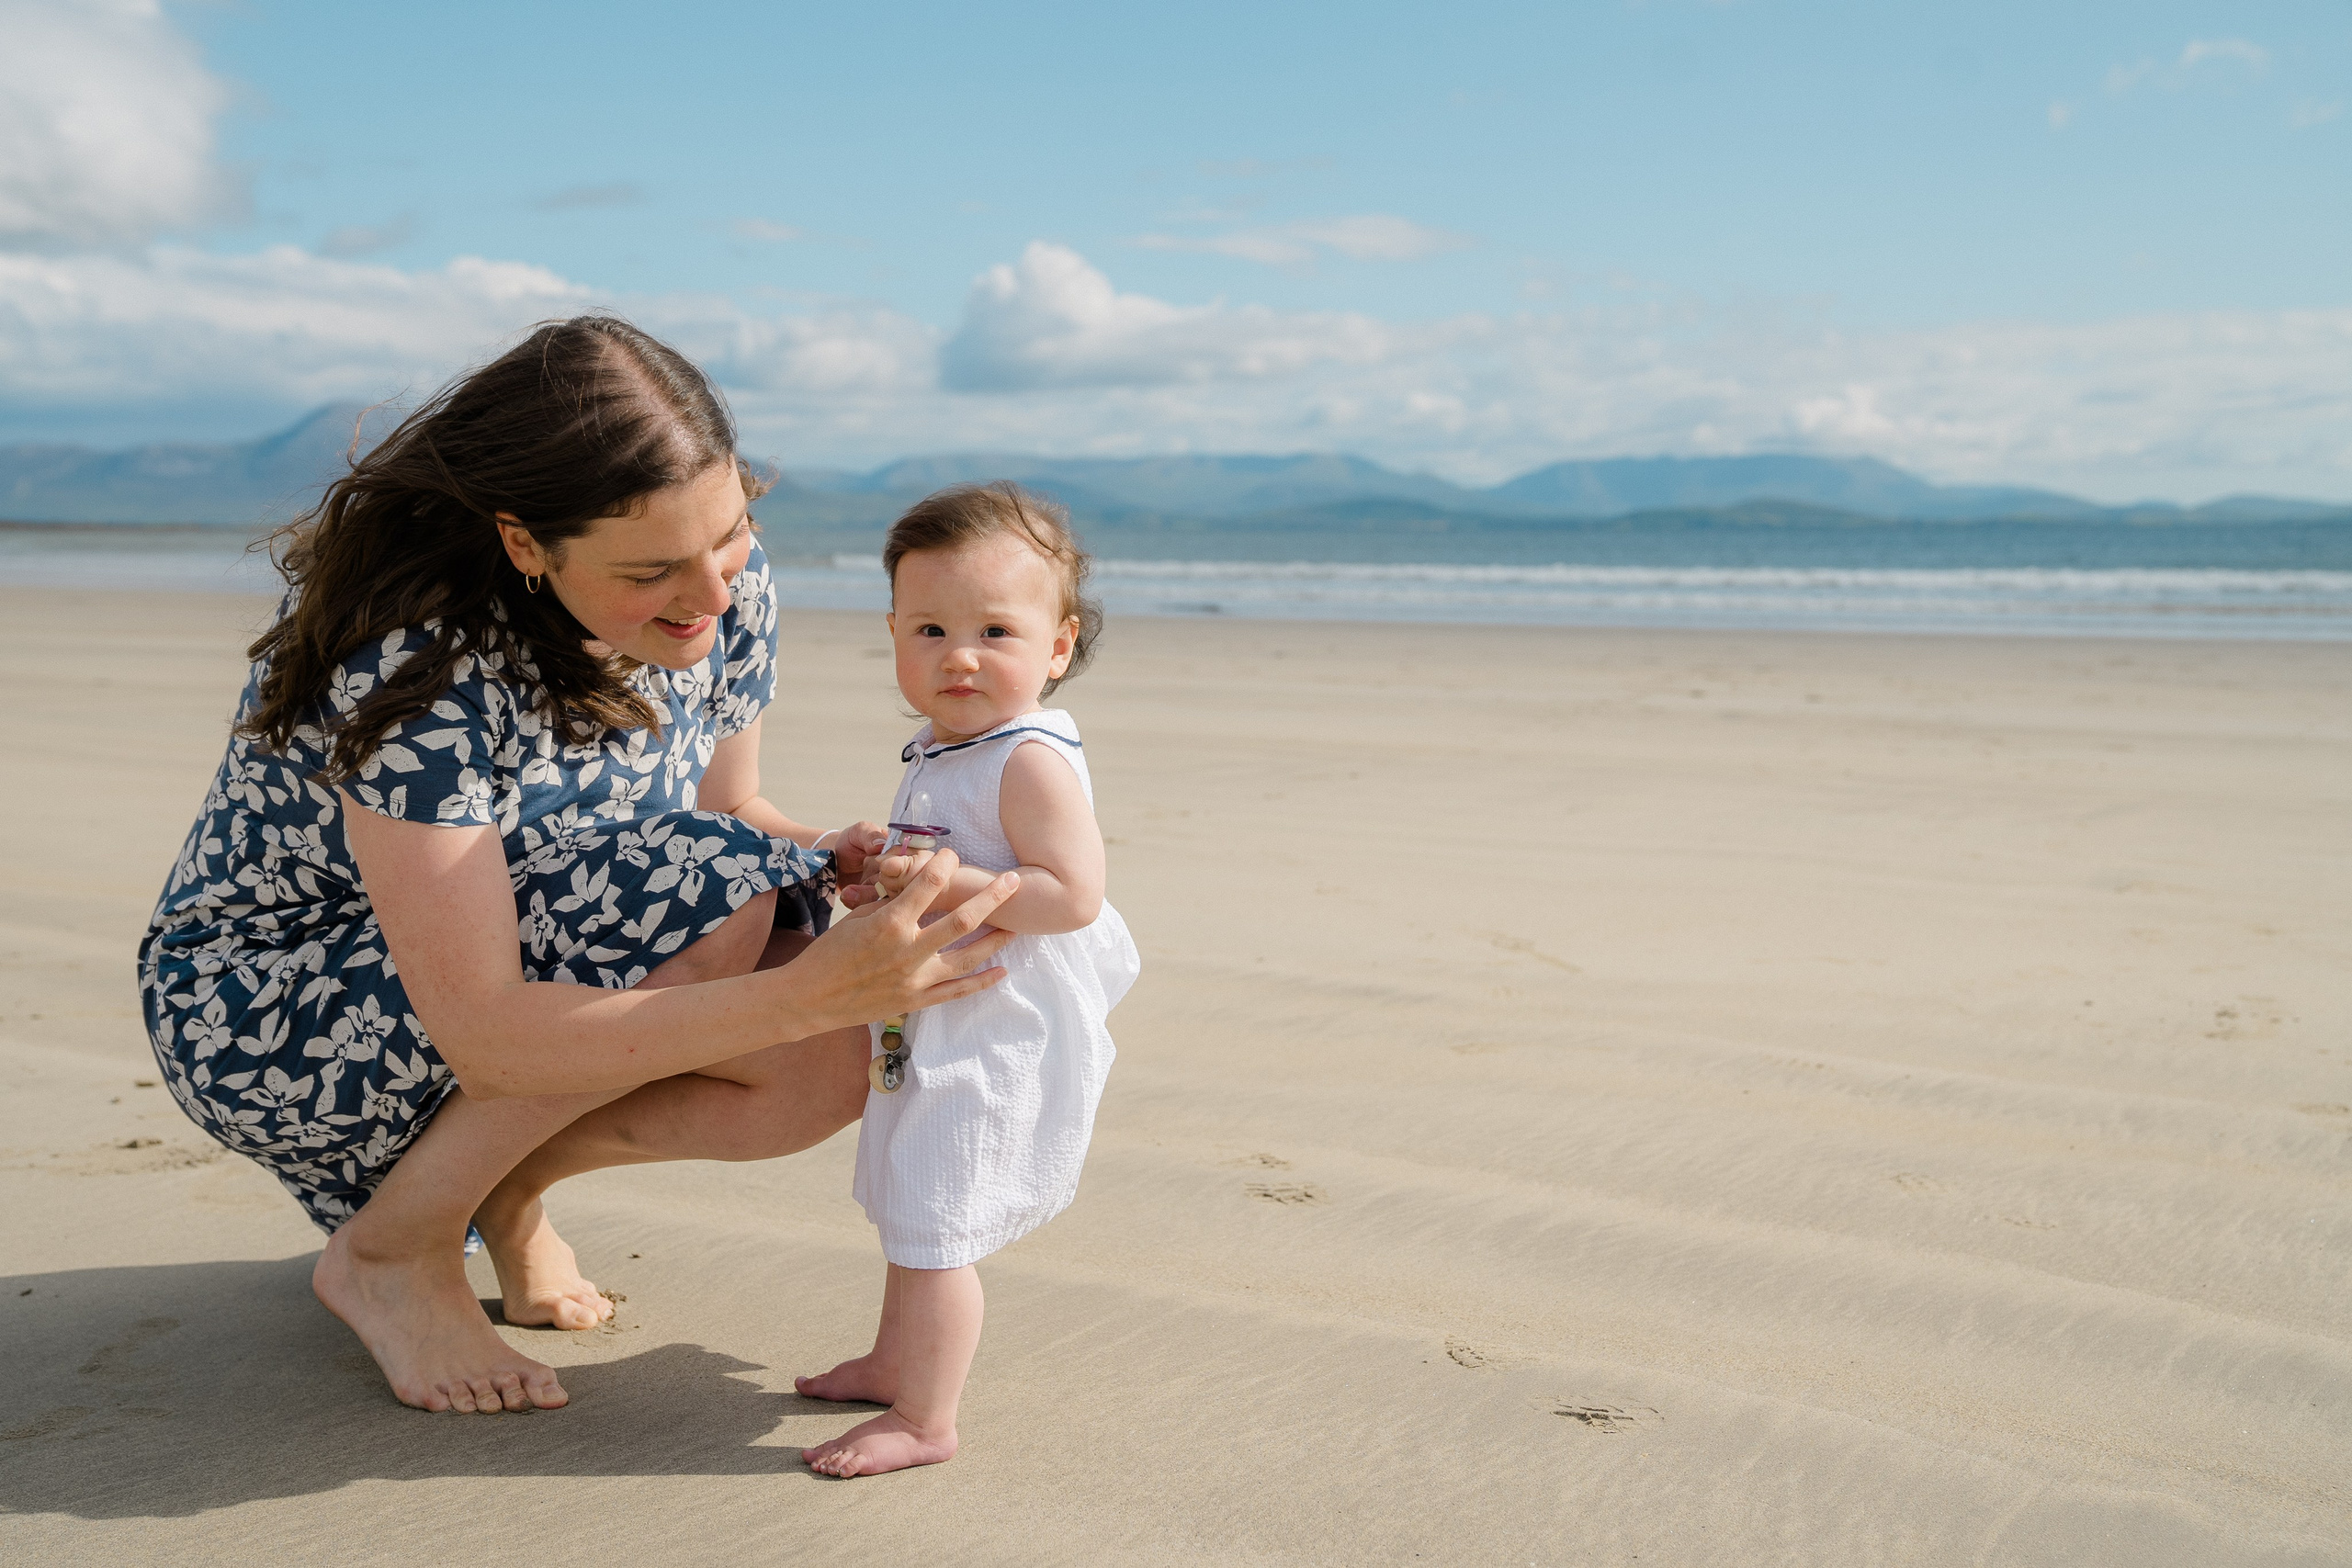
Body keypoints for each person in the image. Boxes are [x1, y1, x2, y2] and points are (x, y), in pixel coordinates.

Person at [136, 316, 1017, 1416]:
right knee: (727, 919)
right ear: (525, 544)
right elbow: (489, 1029)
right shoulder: (420, 664)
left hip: (541, 948)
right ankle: (392, 1252)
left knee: (836, 1060)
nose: (708, 591)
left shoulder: (727, 592)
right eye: (650, 570)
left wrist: (839, 860)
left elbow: (728, 809)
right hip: (272, 1009)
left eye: (732, 530)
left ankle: (502, 1189)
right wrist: (799, 987)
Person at [795, 483, 1141, 1477]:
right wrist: (883, 872)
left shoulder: (1027, 760)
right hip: (935, 1013)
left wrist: (953, 884)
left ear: (1058, 647)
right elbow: (939, 857)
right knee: (910, 1199)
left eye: (996, 630)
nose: (960, 655)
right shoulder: (948, 748)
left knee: (942, 1217)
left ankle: (927, 1418)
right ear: (894, 633)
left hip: (995, 1024)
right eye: (931, 628)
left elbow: (1070, 895)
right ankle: (895, 1361)